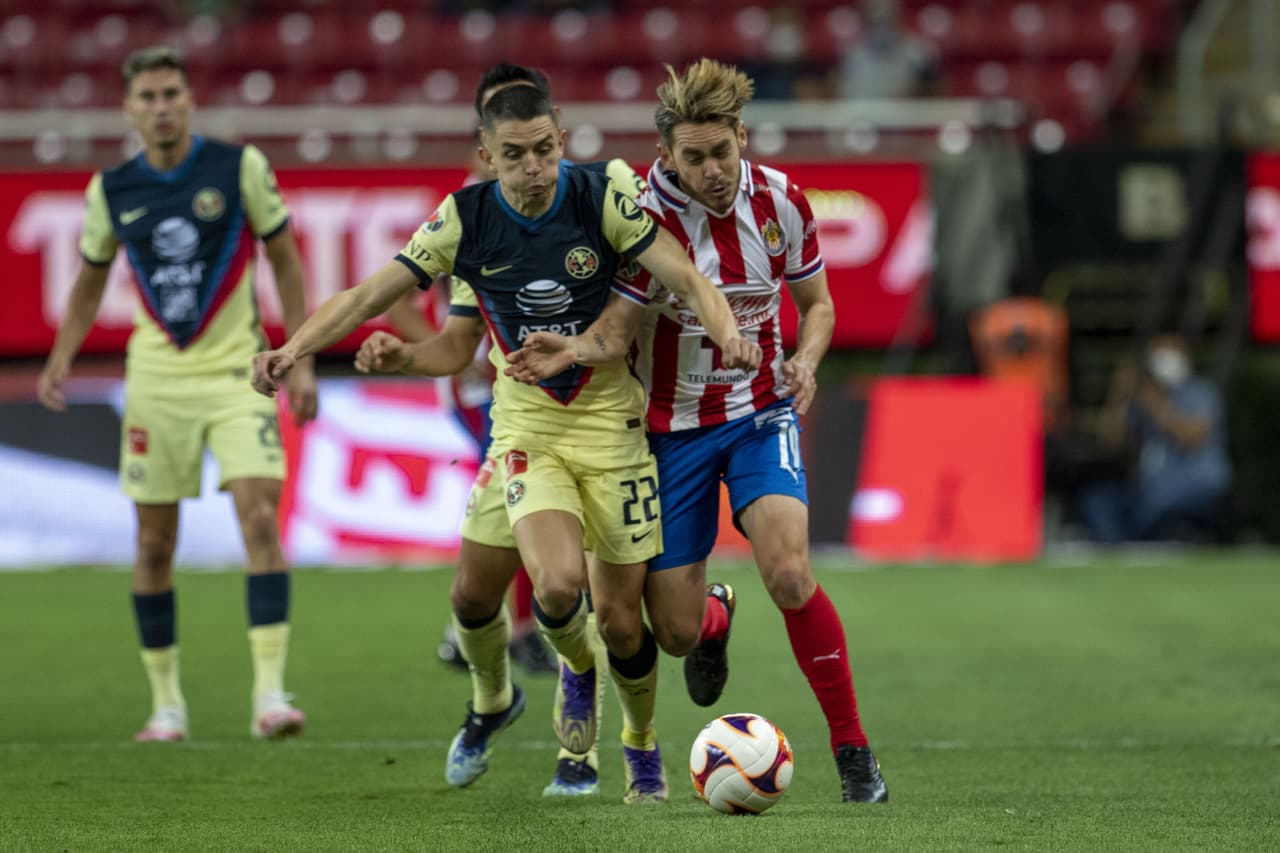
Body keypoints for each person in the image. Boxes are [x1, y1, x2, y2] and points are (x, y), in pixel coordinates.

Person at [251, 83, 760, 803]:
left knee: (624, 621)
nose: (533, 169)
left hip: (614, 426)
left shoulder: (604, 192)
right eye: (514, 156)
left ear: (563, 138)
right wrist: (293, 349)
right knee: (553, 586)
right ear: (486, 157)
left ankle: (640, 742)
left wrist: (729, 330)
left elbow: (683, 272)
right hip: (527, 427)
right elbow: (373, 297)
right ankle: (564, 677)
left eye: (545, 150)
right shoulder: (464, 220)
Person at [505, 58, 889, 803]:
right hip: (665, 432)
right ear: (665, 157)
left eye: (724, 150)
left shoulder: (781, 201)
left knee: (789, 569)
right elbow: (617, 330)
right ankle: (716, 619)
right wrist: (574, 347)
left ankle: (854, 753)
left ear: (742, 136)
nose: (714, 170)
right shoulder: (639, 219)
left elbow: (818, 304)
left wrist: (806, 360)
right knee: (674, 632)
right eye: (695, 157)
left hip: (757, 416)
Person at [35, 46, 318, 742]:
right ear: (129, 109)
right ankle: (166, 704)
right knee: (154, 542)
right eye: (148, 97)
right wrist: (62, 355)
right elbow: (91, 277)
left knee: (259, 519)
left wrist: (302, 357)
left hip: (239, 372)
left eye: (171, 94)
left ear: (189, 100)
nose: (161, 107)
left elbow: (284, 256)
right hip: (156, 380)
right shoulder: (112, 189)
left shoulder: (239, 167)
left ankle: (270, 694)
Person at [1078, 333, 1232, 543]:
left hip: (1195, 491)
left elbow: (1191, 437)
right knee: (1098, 501)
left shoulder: (1200, 392)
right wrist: (1119, 393)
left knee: (1159, 514)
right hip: (1151, 493)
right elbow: (1110, 440)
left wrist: (1153, 403)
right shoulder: (1141, 398)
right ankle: (1118, 554)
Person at [834, 0, 939, 100]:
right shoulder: (850, 52)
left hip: (903, 115)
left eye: (886, 19)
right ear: (865, 18)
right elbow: (836, 89)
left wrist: (915, 93)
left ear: (897, 16)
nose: (881, 28)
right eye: (876, 21)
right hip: (859, 114)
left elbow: (934, 89)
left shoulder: (917, 51)